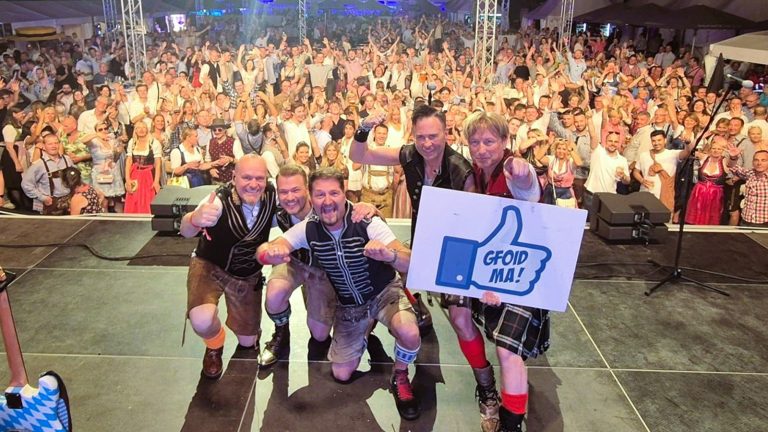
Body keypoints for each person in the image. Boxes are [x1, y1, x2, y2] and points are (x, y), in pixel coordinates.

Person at [257, 167, 421, 421]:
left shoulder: (366, 221)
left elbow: (410, 261)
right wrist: (270, 252)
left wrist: (389, 255)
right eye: (320, 194)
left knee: (409, 332)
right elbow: (268, 249)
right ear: (312, 198)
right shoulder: (309, 228)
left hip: (382, 292)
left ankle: (400, 374)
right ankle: (365, 327)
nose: (327, 201)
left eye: (334, 193)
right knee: (341, 373)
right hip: (350, 305)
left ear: (345, 192)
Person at [464, 111, 545, 432]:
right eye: (475, 142)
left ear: (505, 141)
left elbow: (528, 185)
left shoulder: (512, 169)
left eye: (489, 141)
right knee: (506, 349)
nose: (481, 149)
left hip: (522, 273)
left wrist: (522, 170)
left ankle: (511, 425)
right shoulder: (477, 172)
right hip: (493, 273)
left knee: (507, 350)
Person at [258, 164, 377, 367]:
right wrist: (267, 252)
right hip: (294, 261)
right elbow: (258, 239)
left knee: (320, 335)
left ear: (308, 190)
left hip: (324, 271)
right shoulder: (278, 212)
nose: (290, 197)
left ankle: (367, 322)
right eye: (284, 192)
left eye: (296, 190)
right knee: (274, 293)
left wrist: (370, 208)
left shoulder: (325, 206)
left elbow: (355, 210)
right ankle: (281, 333)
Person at [179, 154, 277, 379]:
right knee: (202, 320)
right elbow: (186, 231)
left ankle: (249, 329)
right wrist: (194, 218)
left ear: (267, 179)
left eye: (259, 178)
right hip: (210, 266)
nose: (253, 184)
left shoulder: (273, 196)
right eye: (247, 177)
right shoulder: (217, 200)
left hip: (246, 273)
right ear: (234, 178)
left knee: (248, 342)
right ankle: (214, 344)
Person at [21, 133, 74, 215]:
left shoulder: (67, 160)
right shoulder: (39, 164)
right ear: (44, 146)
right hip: (51, 204)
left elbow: (76, 177)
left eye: (56, 143)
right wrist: (42, 197)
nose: (54, 146)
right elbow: (26, 184)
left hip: (69, 201)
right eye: (50, 144)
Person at [685, 137, 727, 225]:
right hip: (699, 193)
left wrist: (734, 156)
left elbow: (733, 163)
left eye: (719, 149)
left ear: (723, 150)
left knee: (711, 220)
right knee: (695, 219)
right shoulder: (704, 157)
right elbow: (689, 151)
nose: (716, 151)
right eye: (714, 148)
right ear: (710, 149)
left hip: (715, 196)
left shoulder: (725, 161)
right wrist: (698, 138)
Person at [124, 121, 162, 213]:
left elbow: (158, 163)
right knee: (134, 200)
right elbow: (129, 161)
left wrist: (156, 181)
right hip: (135, 175)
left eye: (143, 127)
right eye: (138, 128)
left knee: (147, 200)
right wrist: (127, 179)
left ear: (147, 129)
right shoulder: (132, 142)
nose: (141, 130)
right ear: (135, 130)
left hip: (148, 175)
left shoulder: (154, 143)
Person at [726, 148, 768, 227]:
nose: (759, 163)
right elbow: (733, 167)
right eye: (756, 160)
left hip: (765, 224)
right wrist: (733, 157)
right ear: (752, 162)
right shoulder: (749, 174)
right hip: (745, 222)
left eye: (763, 160)